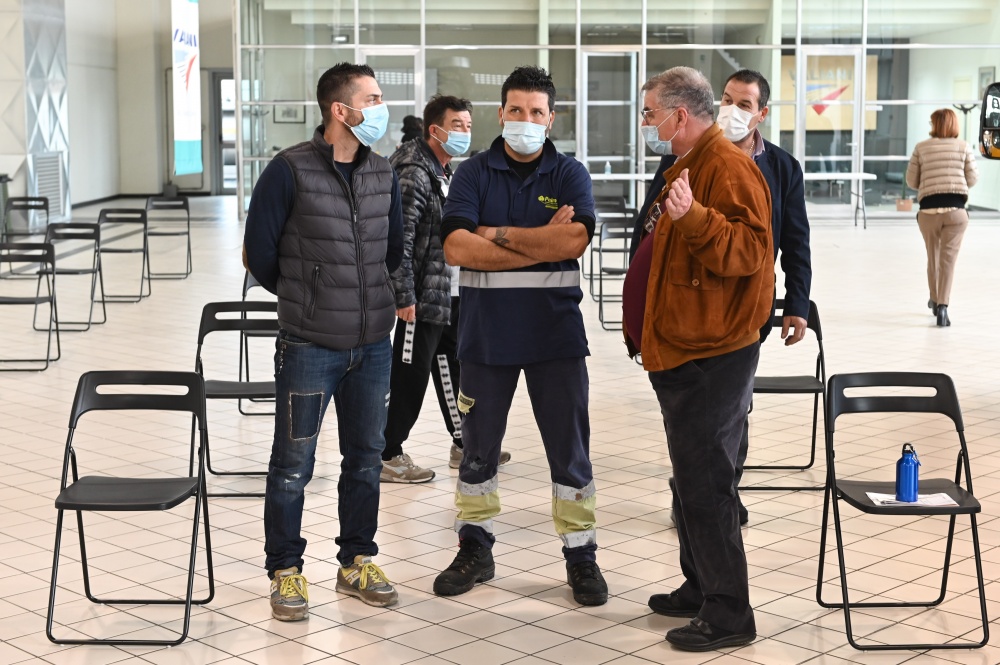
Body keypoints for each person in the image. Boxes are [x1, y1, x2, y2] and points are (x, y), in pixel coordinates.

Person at [433, 65, 608, 606]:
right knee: (478, 453)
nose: (525, 121)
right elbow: (457, 249)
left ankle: (581, 555)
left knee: (570, 452)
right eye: (516, 110)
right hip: (486, 341)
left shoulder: (570, 174)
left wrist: (495, 233)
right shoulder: (474, 174)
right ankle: (475, 547)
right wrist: (538, 239)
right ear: (501, 113)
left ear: (550, 118)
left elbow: (573, 243)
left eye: (536, 112)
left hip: (556, 338)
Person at [244, 62, 404, 621]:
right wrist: (305, 296)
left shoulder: (383, 172)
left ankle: (357, 559)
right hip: (310, 345)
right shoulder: (288, 170)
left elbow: (392, 251)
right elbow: (258, 254)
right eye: (374, 98)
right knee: (293, 464)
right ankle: (285, 571)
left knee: (364, 459)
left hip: (372, 346)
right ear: (341, 110)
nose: (382, 108)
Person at [622, 66, 773, 651]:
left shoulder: (727, 166)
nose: (647, 123)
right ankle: (700, 586)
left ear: (679, 115)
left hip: (714, 354)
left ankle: (730, 613)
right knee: (689, 482)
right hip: (683, 349)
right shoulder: (690, 163)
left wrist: (695, 218)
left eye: (650, 112)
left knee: (709, 486)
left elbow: (752, 252)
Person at [631, 70, 812, 526]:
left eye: (744, 104)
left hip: (727, 321)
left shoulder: (772, 168)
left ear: (762, 113)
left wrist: (797, 303)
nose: (732, 110)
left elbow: (783, 242)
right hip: (686, 324)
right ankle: (699, 510)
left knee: (725, 424)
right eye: (727, 98)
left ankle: (720, 499)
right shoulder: (688, 158)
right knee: (699, 443)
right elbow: (652, 227)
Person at [381, 94, 512, 482]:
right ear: (433, 129)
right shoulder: (414, 171)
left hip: (448, 295)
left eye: (469, 126)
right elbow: (399, 240)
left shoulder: (442, 169)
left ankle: (465, 442)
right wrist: (404, 296)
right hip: (420, 300)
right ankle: (387, 453)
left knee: (451, 369)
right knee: (410, 374)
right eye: (457, 125)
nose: (464, 133)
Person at [906, 108, 979, 327]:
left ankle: (935, 300)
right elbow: (973, 178)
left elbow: (911, 180)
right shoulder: (964, 147)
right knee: (948, 260)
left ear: (934, 125)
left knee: (933, 256)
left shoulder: (921, 148)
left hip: (928, 211)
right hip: (956, 211)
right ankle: (943, 308)